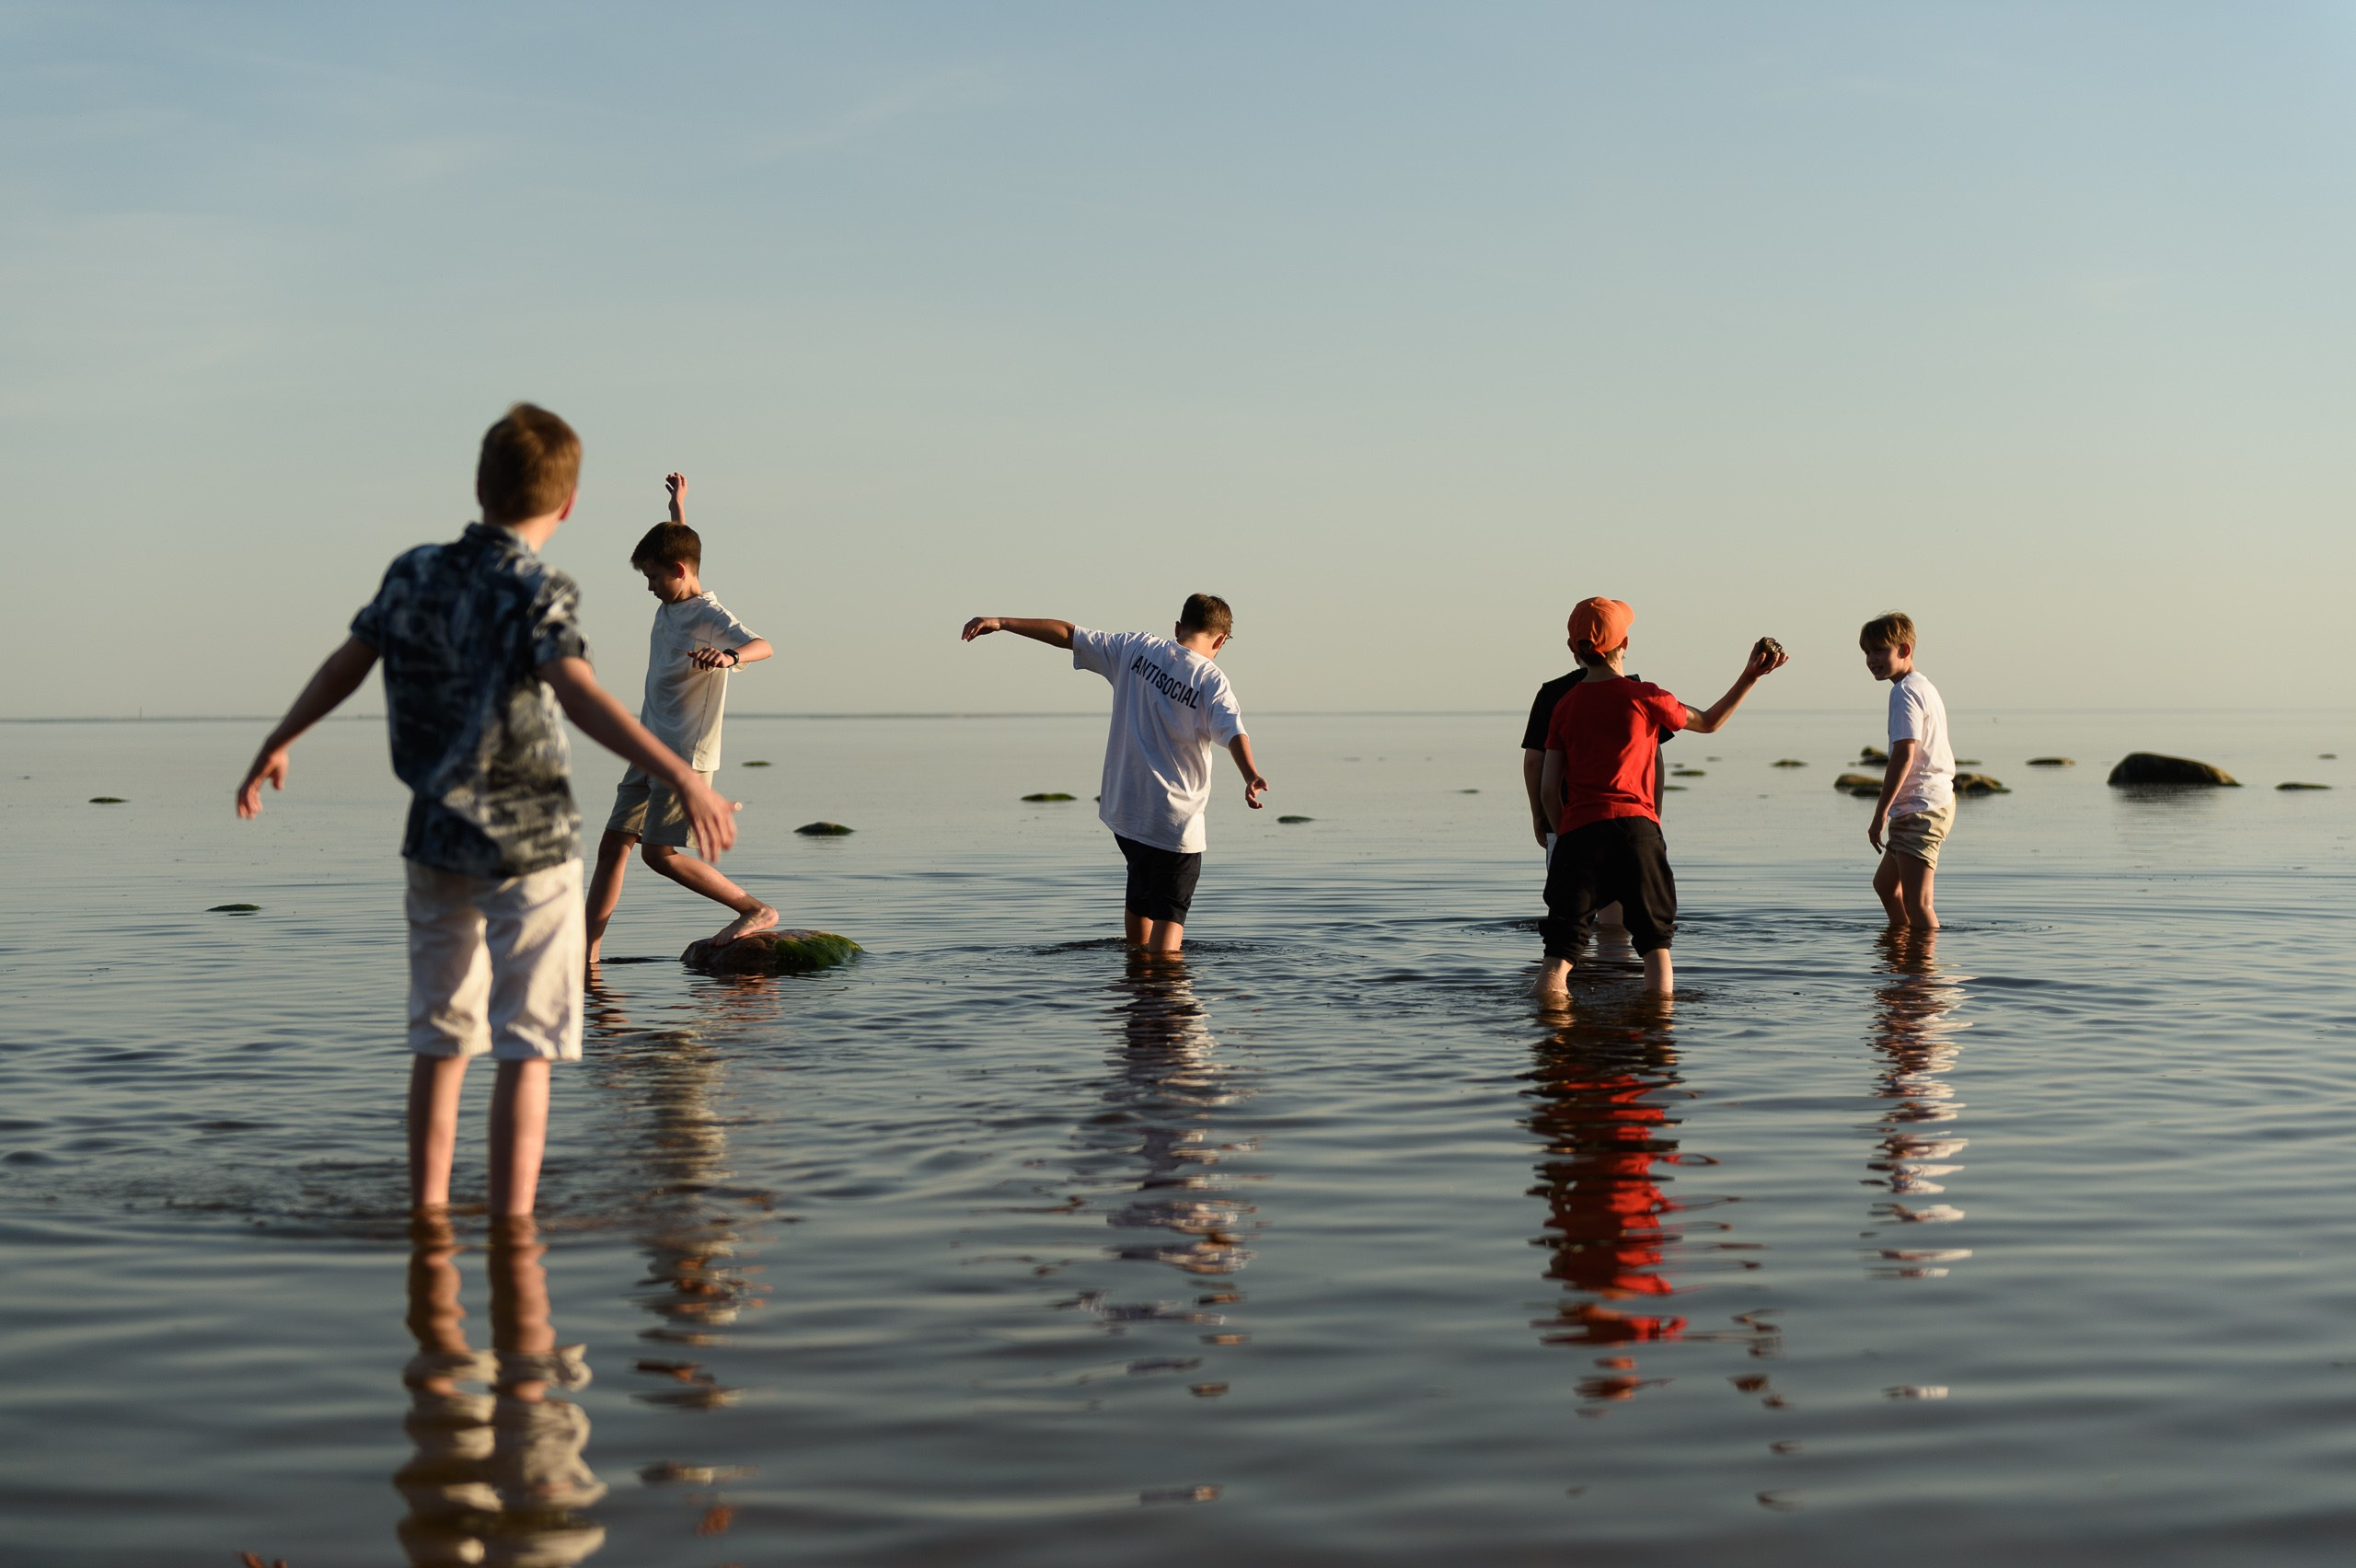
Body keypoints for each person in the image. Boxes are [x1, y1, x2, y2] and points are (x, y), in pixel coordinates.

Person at [236, 404, 738, 1219]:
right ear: (568, 504)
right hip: (532, 847)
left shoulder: (412, 572)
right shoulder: (538, 585)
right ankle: (512, 1232)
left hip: (435, 840)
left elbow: (349, 660)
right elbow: (576, 694)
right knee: (526, 1051)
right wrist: (684, 775)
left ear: (477, 485)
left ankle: (429, 1225)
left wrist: (280, 737)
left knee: (439, 1045)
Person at [959, 594, 1269, 956]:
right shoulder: (1211, 680)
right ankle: (1163, 996)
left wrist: (1001, 622)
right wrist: (1250, 775)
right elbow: (1233, 731)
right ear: (1220, 641)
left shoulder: (1135, 649)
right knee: (1168, 934)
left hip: (1129, 816)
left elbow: (1067, 634)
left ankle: (1137, 995)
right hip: (1176, 824)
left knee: (1139, 904)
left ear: (1177, 628)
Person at [1535, 597, 1785, 1000]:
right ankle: (1657, 1036)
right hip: (1637, 832)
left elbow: (1549, 788)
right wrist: (1750, 676)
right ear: (1626, 644)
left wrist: (1567, 839)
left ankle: (1552, 1031)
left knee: (1560, 952)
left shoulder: (1563, 707)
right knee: (1655, 944)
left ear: (1574, 650)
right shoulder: (1647, 696)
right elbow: (1709, 721)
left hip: (1580, 831)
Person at [583, 472, 777, 964]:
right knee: (612, 847)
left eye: (652, 578)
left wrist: (732, 659)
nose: (648, 588)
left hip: (685, 754)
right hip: (648, 747)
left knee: (658, 855)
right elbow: (684, 549)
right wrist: (678, 508)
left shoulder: (710, 616)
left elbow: (764, 645)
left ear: (676, 570)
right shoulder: (677, 590)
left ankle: (754, 909)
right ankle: (585, 954)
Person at [1860, 610, 1954, 929]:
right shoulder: (1920, 686)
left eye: (1880, 650)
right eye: (1867, 652)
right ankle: (1901, 955)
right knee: (1886, 886)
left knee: (1919, 903)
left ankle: (1923, 975)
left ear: (1904, 650)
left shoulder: (1905, 692)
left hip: (1921, 808)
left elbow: (1904, 753)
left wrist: (1880, 813)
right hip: (1920, 804)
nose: (1872, 659)